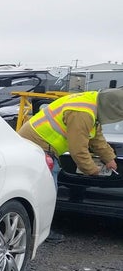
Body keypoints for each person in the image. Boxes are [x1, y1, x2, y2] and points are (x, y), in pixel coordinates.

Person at [17, 88, 123, 242]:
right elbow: (78, 148)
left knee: (43, 190)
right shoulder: (82, 113)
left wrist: (109, 158)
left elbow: (95, 137)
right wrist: (92, 170)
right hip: (36, 147)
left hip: (41, 146)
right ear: (112, 111)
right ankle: (41, 232)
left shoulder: (92, 104)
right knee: (47, 193)